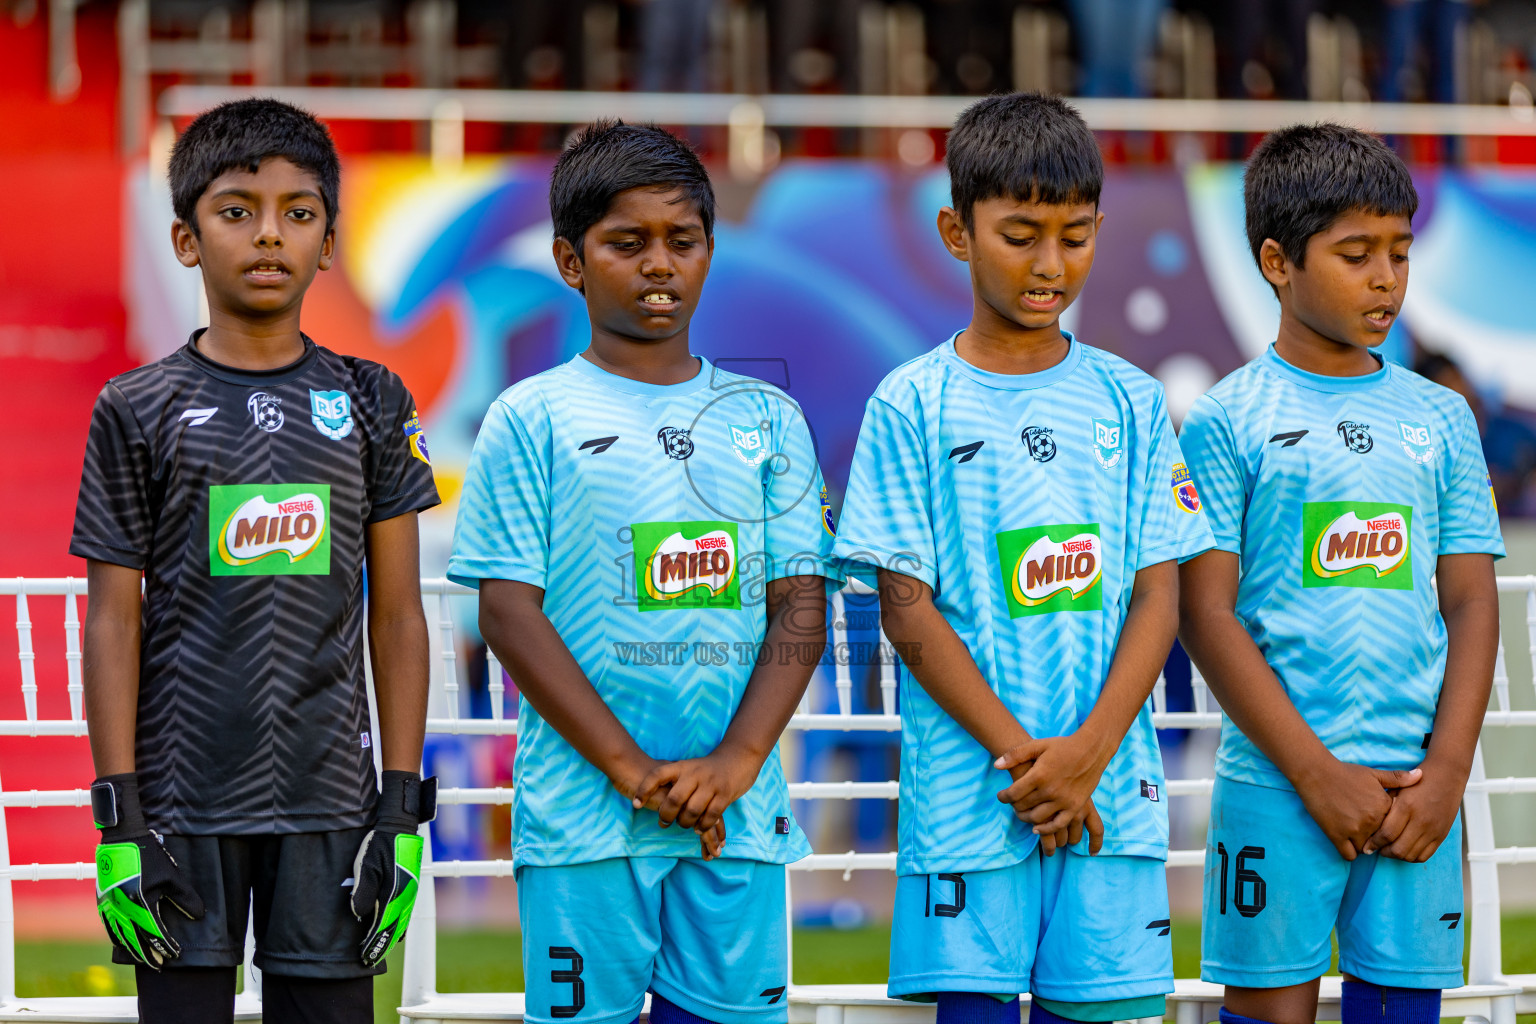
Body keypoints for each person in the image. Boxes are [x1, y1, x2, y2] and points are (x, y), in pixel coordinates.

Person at [833, 92, 1214, 1024]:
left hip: (1110, 802)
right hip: (971, 805)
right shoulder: (909, 404)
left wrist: (1084, 758)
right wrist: (1024, 759)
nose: (1051, 264)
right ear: (956, 232)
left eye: (1075, 236)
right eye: (1021, 234)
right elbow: (905, 607)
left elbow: (1158, 600)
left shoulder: (1130, 400)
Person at [447, 120, 838, 1024]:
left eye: (682, 241)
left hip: (731, 821)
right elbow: (509, 615)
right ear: (570, 261)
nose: (659, 264)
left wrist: (736, 764)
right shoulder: (528, 417)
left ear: (709, 249)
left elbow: (800, 606)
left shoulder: (767, 418)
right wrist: (629, 769)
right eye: (627, 243)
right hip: (584, 822)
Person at [72, 98, 441, 1024]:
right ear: (186, 241)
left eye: (298, 212)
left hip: (333, 806)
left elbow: (398, 615)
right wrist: (118, 818)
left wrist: (399, 811)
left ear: (328, 242)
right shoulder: (135, 405)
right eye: (237, 210)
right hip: (176, 804)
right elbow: (114, 616)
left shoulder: (372, 397)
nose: (269, 233)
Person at [1179, 123, 1504, 1024]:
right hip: (1280, 789)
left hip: (1413, 796)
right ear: (1278, 262)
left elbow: (1473, 605)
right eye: (1355, 253)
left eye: (1400, 251)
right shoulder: (1225, 419)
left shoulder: (1442, 418)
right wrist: (1316, 773)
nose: (1386, 277)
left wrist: (1444, 773)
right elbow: (1205, 615)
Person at [1414, 349, 1536, 517]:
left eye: (1456, 380)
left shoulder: (1514, 432)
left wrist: (1523, 486)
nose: (1457, 391)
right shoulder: (1427, 453)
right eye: (1445, 387)